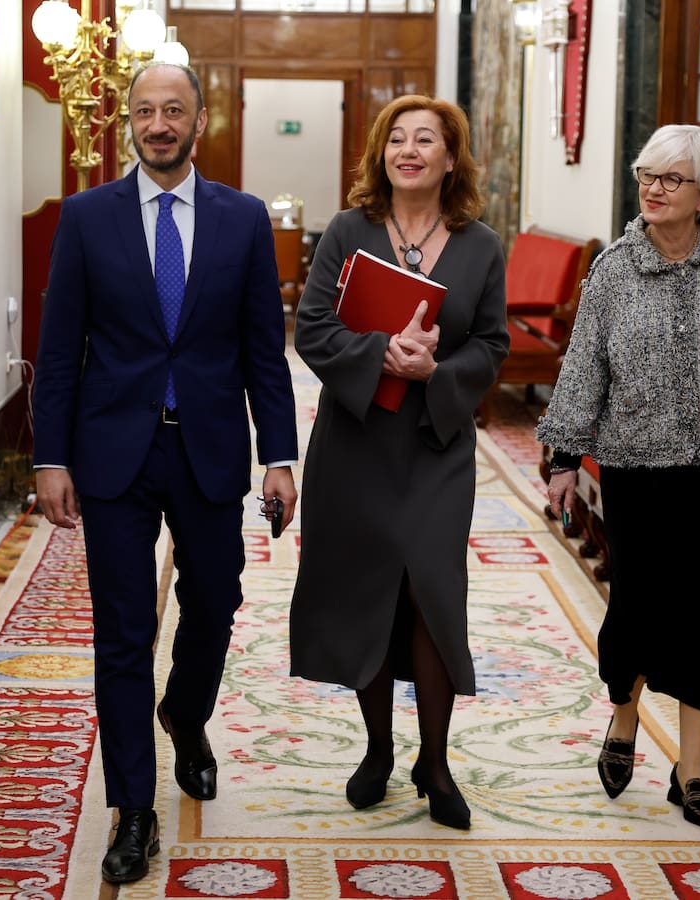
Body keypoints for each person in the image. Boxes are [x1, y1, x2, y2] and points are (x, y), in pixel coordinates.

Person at [32, 61, 299, 884]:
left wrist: (280, 456)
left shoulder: (242, 218)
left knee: (215, 602)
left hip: (208, 447)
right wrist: (50, 456)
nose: (158, 124)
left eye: (173, 110)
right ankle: (135, 810)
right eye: (145, 110)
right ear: (129, 121)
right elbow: (59, 347)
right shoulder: (86, 217)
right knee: (122, 632)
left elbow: (264, 350)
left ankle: (184, 712)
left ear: (199, 120)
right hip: (114, 451)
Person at [536, 124, 700, 829]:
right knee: (639, 610)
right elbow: (583, 368)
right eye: (646, 175)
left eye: (671, 179)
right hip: (636, 471)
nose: (653, 189)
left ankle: (691, 771)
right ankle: (624, 719)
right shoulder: (613, 271)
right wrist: (564, 459)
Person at [289, 95, 509, 831]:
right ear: (380, 155)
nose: (408, 150)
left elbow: (493, 345)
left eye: (425, 140)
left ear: (451, 158)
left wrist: (433, 373)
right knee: (368, 594)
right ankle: (379, 749)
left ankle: (435, 762)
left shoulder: (481, 244)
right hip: (355, 445)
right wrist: (382, 353)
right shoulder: (347, 231)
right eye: (396, 139)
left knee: (431, 595)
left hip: (435, 446)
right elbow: (312, 327)